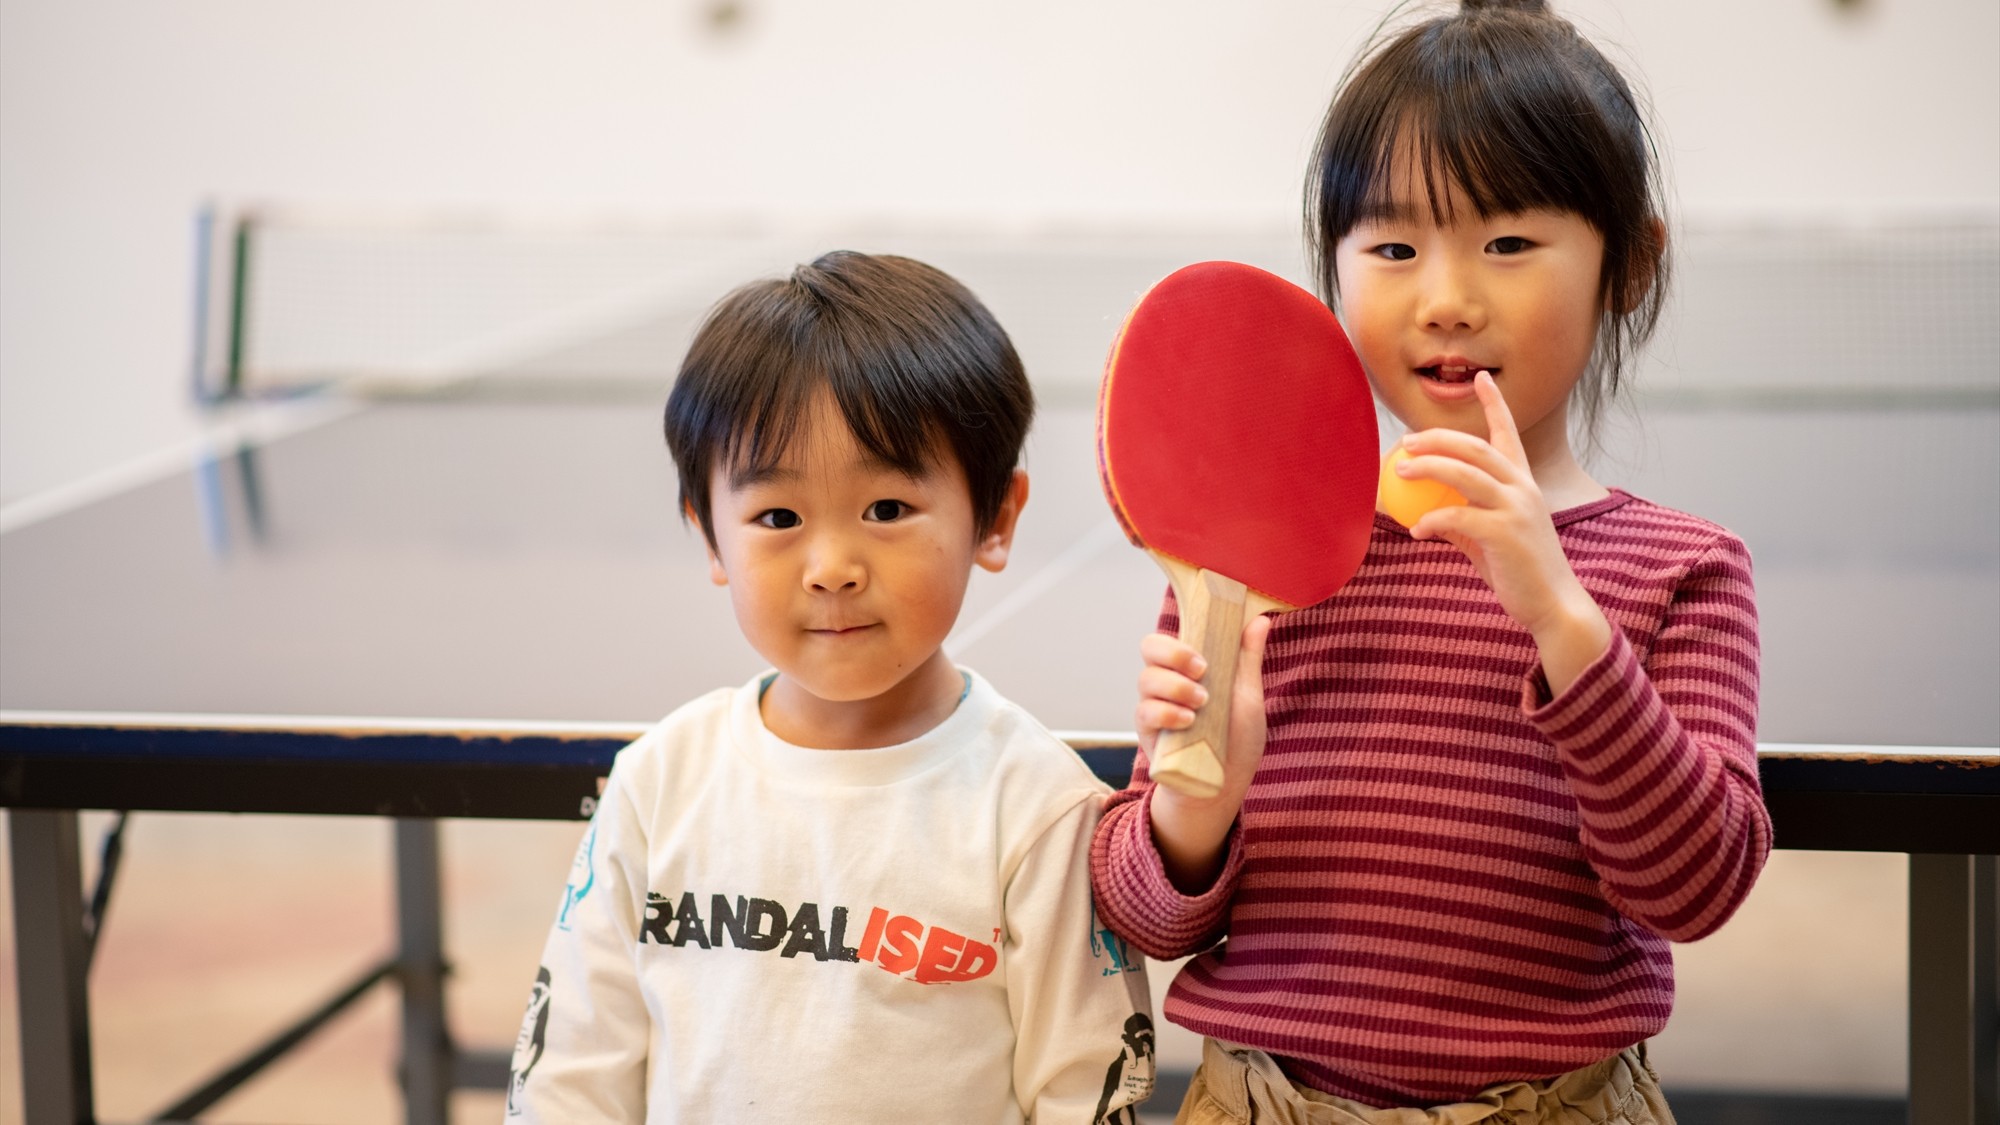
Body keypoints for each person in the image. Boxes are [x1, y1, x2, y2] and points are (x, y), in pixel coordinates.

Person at [1089, 1, 1771, 1121]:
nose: (1445, 298)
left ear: (1629, 265)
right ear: (1336, 274)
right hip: (1261, 1103)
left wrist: (1563, 622)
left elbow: (1695, 886)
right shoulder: (1247, 557)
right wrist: (1191, 805)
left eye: (1505, 243)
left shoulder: (1680, 571)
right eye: (1393, 248)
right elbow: (1145, 917)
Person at [509, 251, 1154, 1124]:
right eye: (777, 518)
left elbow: (1085, 1087)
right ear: (710, 536)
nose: (832, 568)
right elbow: (571, 1077)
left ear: (995, 518)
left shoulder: (1041, 809)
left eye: (887, 510)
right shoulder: (659, 783)